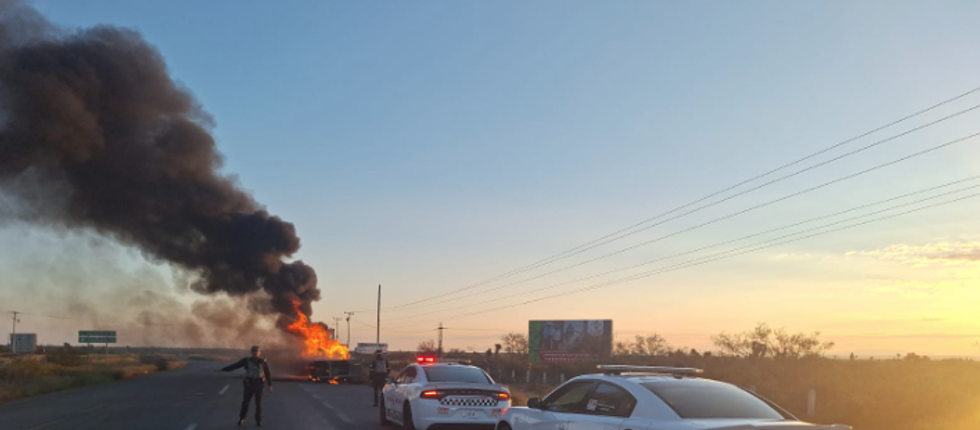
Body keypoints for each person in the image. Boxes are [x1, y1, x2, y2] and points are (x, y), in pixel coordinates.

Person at [220, 345, 273, 427]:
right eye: (254, 351)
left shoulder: (263, 362)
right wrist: (223, 369)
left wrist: (270, 385)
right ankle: (242, 418)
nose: (255, 353)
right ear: (251, 352)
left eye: (257, 351)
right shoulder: (246, 360)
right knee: (245, 402)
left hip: (259, 384)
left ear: (259, 353)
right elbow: (235, 366)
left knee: (258, 404)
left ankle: (258, 420)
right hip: (249, 384)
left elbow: (267, 373)